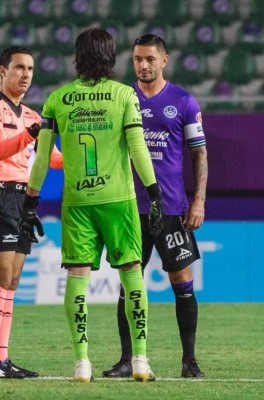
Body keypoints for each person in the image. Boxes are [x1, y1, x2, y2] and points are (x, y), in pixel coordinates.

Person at [19, 28, 164, 383]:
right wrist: (155, 193)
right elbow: (137, 148)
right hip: (118, 200)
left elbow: (41, 158)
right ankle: (141, 359)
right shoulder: (124, 95)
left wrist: (31, 197)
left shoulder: (58, 99)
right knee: (131, 274)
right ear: (111, 56)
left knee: (77, 278)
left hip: (78, 202)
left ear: (77, 56)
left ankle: (81, 361)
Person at [102, 34, 208, 380]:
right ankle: (125, 359)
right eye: (137, 59)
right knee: (128, 282)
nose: (143, 65)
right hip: (129, 208)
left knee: (182, 280)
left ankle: (189, 361)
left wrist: (199, 200)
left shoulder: (183, 101)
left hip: (172, 210)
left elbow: (199, 153)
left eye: (149, 59)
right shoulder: (120, 98)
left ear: (164, 60)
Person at [0, 46, 44, 379]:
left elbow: (51, 158)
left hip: (21, 198)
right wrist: (33, 134)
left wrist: (84, 159)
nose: (26, 74)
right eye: (19, 67)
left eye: (30, 68)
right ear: (2, 71)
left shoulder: (31, 115)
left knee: (11, 282)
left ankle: (1, 357)